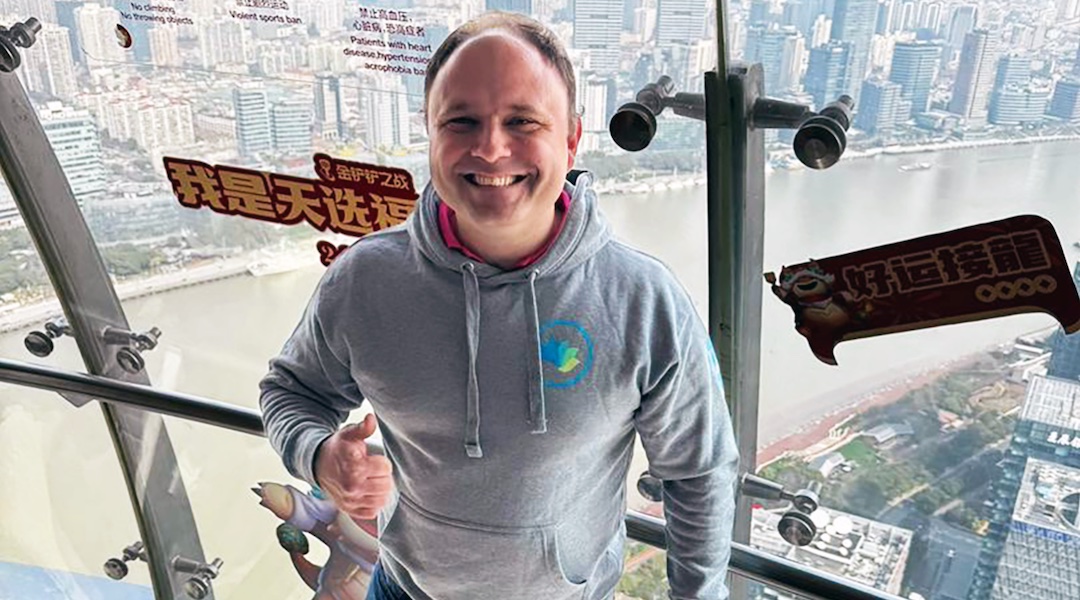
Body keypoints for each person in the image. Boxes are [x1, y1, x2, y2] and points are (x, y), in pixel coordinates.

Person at [260, 11, 739, 600]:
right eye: (461, 121)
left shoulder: (643, 302)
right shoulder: (365, 282)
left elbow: (698, 473)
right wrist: (318, 453)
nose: (490, 148)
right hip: (404, 588)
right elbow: (290, 391)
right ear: (431, 135)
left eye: (522, 121)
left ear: (570, 139)